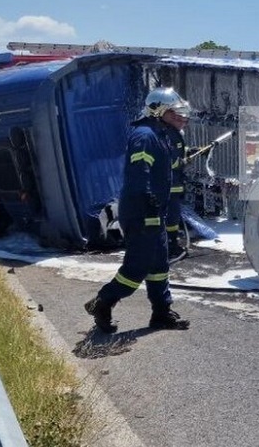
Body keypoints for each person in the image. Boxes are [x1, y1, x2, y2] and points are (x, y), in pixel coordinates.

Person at [84, 87, 192, 333]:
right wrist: (147, 196)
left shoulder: (160, 134)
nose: (178, 116)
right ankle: (103, 302)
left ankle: (161, 313)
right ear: (158, 110)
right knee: (137, 268)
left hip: (155, 211)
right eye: (173, 111)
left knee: (158, 266)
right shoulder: (144, 135)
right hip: (142, 211)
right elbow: (139, 170)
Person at [162, 105, 191, 264]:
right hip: (170, 185)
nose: (183, 123)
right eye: (180, 120)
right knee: (171, 217)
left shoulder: (176, 134)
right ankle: (170, 245)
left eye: (185, 121)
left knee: (174, 216)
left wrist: (192, 151)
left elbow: (181, 152)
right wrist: (181, 162)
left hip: (176, 183)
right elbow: (169, 159)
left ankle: (171, 243)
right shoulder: (169, 135)